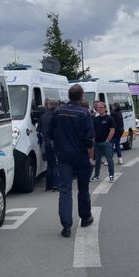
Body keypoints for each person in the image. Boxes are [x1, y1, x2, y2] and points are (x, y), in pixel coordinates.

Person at [48, 85, 95, 238]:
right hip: (81, 156)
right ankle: (85, 217)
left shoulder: (57, 112)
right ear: (81, 97)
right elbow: (89, 139)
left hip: (64, 157)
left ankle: (66, 226)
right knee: (83, 189)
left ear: (69, 96)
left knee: (65, 191)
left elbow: (51, 134)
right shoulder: (84, 114)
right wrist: (91, 156)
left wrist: (58, 150)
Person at [37, 99, 59, 191]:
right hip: (56, 143)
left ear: (48, 106)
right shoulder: (57, 116)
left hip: (46, 143)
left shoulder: (43, 116)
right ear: (57, 105)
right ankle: (56, 185)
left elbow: (39, 130)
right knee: (56, 164)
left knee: (49, 165)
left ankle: (48, 185)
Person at [91, 101, 116, 183]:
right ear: (96, 109)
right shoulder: (95, 119)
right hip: (97, 143)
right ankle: (96, 175)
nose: (100, 109)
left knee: (109, 160)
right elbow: (93, 130)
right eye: (98, 107)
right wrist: (93, 140)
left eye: (101, 107)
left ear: (105, 108)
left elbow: (112, 130)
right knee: (97, 160)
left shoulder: (109, 118)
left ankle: (111, 175)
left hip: (106, 143)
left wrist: (107, 141)